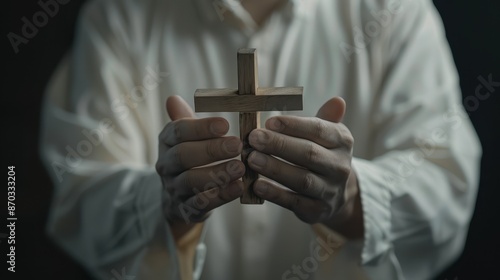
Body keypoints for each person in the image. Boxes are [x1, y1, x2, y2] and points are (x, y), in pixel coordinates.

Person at [39, 0, 482, 279]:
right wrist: (164, 203)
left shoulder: (395, 11)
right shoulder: (120, 14)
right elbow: (78, 195)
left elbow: (447, 187)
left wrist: (352, 200)